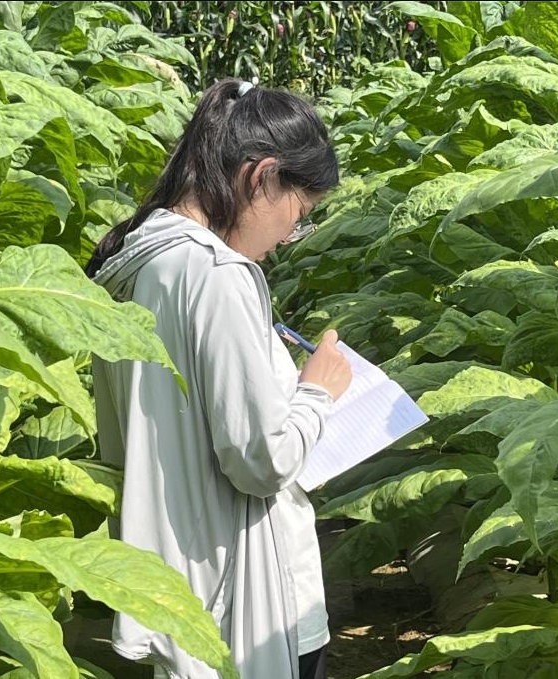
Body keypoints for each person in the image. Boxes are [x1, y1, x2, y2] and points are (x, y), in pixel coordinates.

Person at [86, 78, 353, 679]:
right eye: (299, 214)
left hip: (176, 582)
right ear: (261, 176)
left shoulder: (133, 261)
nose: (288, 239)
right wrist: (317, 390)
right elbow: (260, 460)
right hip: (247, 593)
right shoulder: (216, 274)